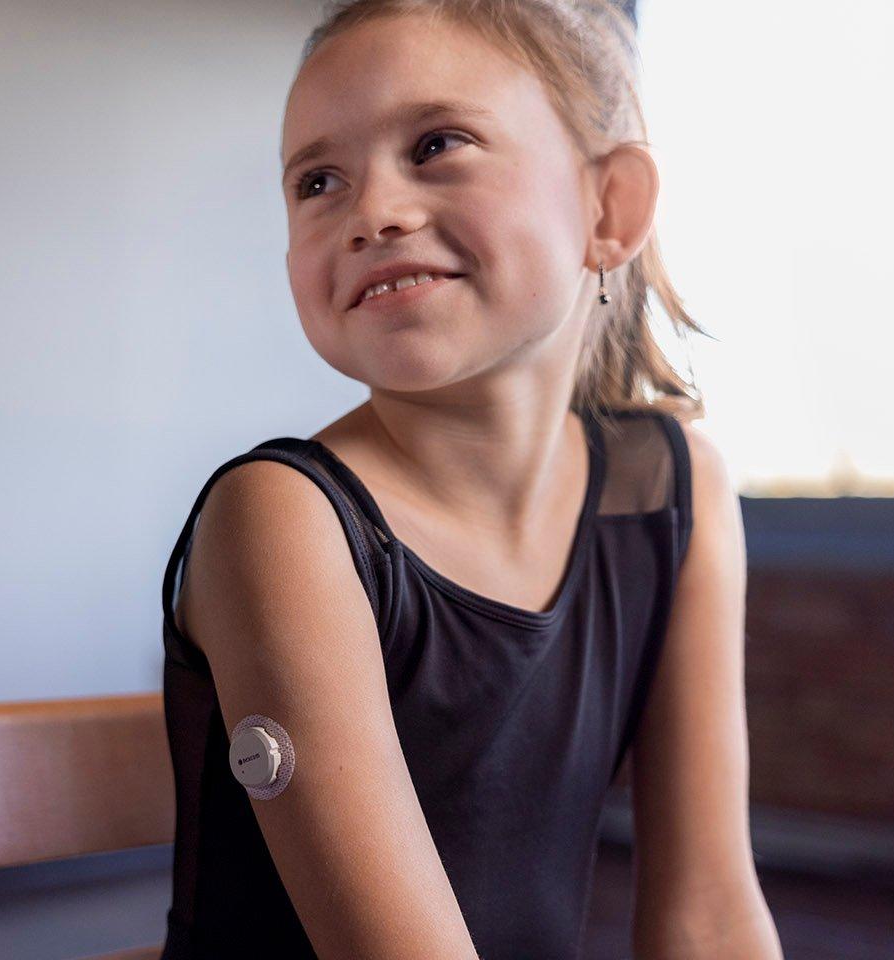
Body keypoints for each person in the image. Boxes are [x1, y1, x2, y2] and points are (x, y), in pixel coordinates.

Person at [158, 2, 782, 957]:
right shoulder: (283, 520)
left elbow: (708, 918)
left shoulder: (670, 490)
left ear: (608, 208)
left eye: (438, 143)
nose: (374, 211)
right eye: (317, 181)